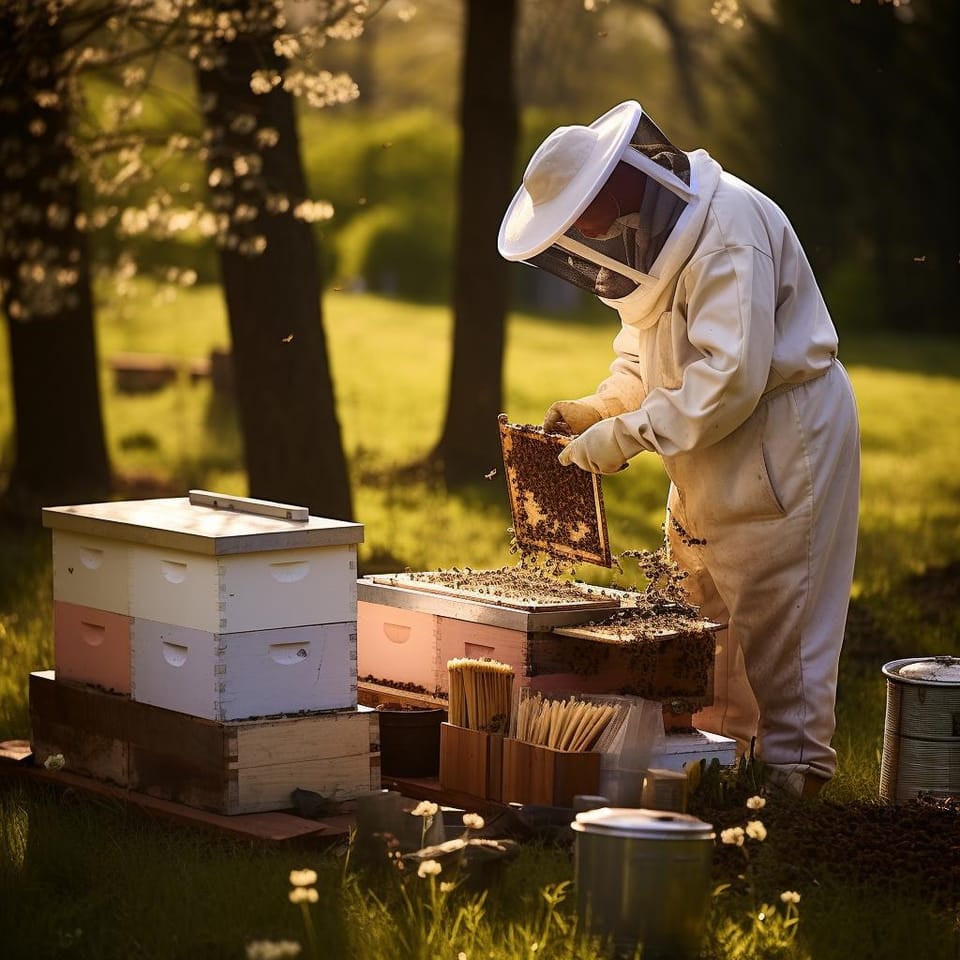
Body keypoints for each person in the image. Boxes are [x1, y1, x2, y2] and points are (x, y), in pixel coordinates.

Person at [498, 101, 860, 799]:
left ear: (612, 185)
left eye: (575, 217)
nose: (575, 236)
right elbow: (649, 357)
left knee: (780, 617)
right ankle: (722, 770)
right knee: (703, 614)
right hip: (703, 443)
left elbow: (729, 379)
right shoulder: (646, 239)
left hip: (780, 434)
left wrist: (626, 435)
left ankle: (795, 787)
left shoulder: (726, 233)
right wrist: (602, 407)